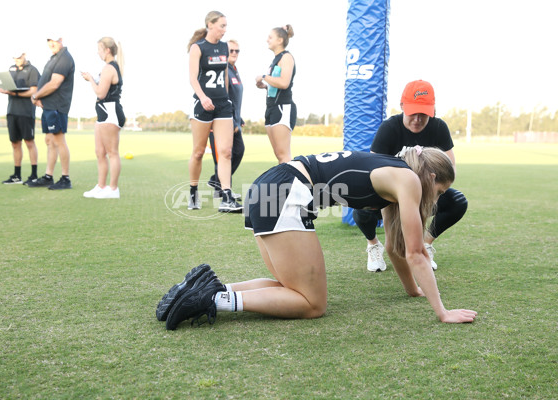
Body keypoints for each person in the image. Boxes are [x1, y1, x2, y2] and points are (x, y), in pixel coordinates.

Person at [157, 147, 478, 330]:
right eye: (439, 192)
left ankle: (206, 288)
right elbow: (417, 253)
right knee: (313, 304)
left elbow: (396, 248)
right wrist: (443, 312)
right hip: (286, 192)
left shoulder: (393, 173)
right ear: (432, 177)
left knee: (293, 291)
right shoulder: (409, 180)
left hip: (268, 186)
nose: (435, 200)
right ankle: (212, 300)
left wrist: (413, 291)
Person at [353, 80, 468, 272]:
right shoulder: (390, 128)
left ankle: (426, 244)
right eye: (412, 112)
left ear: (432, 110)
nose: (417, 118)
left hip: (425, 193)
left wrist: (433, 195)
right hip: (392, 194)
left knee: (457, 201)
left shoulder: (439, 128)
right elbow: (372, 170)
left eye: (423, 113)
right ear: (402, 107)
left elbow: (450, 168)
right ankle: (373, 245)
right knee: (361, 208)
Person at [187, 11, 242, 213]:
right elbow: (193, 78)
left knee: (225, 152)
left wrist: (228, 99)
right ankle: (193, 191)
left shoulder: (224, 47)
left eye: (226, 26)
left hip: (222, 105)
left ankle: (226, 198)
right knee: (199, 152)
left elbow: (225, 76)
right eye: (222, 25)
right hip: (203, 104)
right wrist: (203, 97)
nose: (224, 30)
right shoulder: (198, 47)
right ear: (210, 25)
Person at [27, 35, 75, 190]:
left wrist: (35, 95)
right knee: (49, 141)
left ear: (61, 39)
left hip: (57, 107)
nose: (51, 43)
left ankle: (65, 178)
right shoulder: (54, 58)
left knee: (59, 141)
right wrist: (38, 98)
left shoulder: (64, 58)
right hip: (48, 106)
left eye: (53, 40)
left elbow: (54, 84)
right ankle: (48, 176)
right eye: (48, 40)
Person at [81, 37, 126, 199]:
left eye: (99, 49)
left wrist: (91, 80)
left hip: (111, 113)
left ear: (107, 50)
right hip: (103, 114)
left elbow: (101, 93)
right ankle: (101, 186)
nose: (97, 52)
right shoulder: (107, 68)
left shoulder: (109, 68)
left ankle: (113, 189)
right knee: (100, 152)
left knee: (112, 152)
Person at [207, 39, 245, 200]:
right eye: (231, 51)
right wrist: (231, 121)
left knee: (237, 151)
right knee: (223, 156)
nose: (234, 53)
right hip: (221, 121)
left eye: (237, 51)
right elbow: (220, 97)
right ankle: (222, 189)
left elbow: (233, 98)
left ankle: (219, 185)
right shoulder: (222, 69)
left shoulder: (233, 70)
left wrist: (238, 118)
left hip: (233, 120)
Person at [255, 24, 296, 164]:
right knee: (279, 154)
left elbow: (284, 83)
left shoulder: (286, 57)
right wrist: (265, 86)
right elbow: (276, 85)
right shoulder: (275, 59)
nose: (267, 40)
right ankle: (284, 184)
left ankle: (290, 185)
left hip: (282, 107)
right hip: (271, 107)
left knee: (284, 155)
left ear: (280, 40)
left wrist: (264, 77)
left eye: (270, 37)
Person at [0, 52, 40, 185]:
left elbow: (34, 91)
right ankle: (17, 176)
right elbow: (9, 87)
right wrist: (5, 90)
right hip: (12, 111)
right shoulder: (11, 69)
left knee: (29, 142)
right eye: (14, 57)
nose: (17, 60)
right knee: (15, 143)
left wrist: (13, 93)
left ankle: (34, 175)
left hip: (26, 112)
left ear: (24, 55)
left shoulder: (32, 70)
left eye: (19, 57)